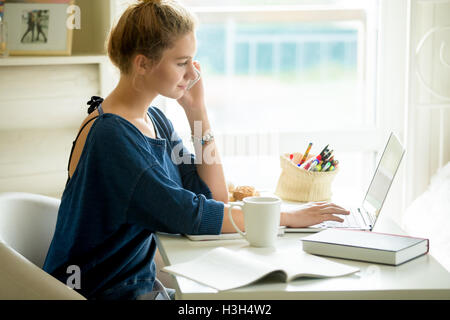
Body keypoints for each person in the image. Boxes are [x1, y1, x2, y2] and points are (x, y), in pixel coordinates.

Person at [43, 0, 349, 300]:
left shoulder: (153, 119)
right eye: (181, 62)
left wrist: (197, 112)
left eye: (193, 60)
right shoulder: (111, 136)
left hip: (137, 287)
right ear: (143, 63)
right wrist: (287, 217)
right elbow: (189, 216)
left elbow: (214, 196)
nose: (194, 73)